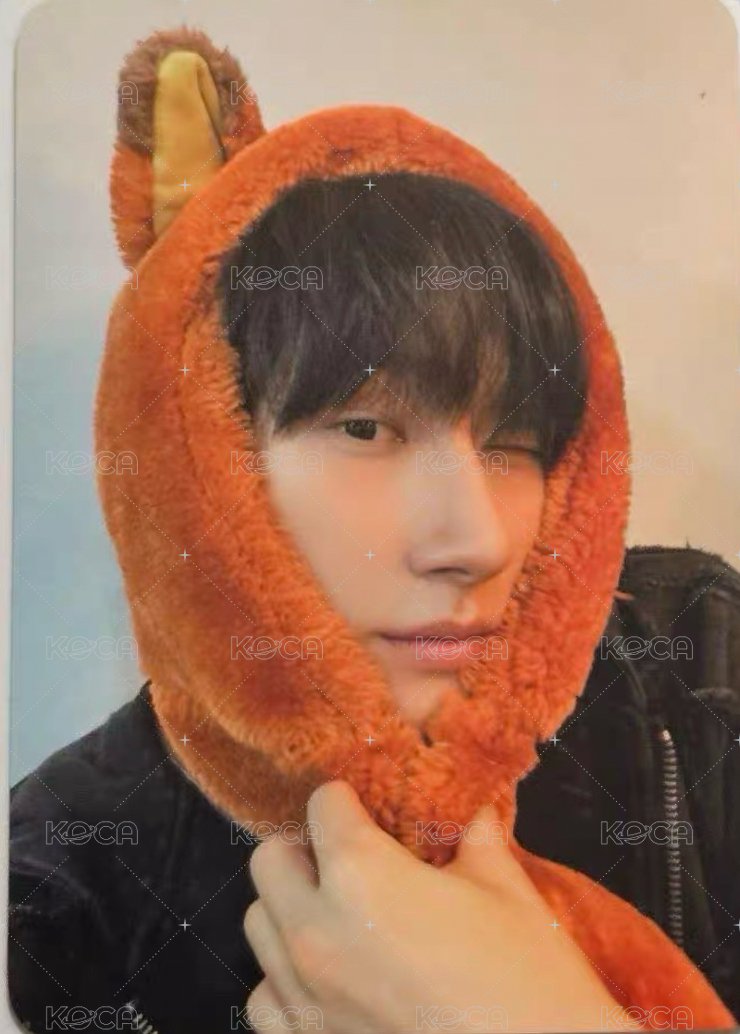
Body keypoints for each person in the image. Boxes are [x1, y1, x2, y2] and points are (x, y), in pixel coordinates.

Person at [8, 26, 739, 1034]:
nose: (476, 543)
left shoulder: (695, 666)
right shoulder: (60, 889)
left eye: (515, 443)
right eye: (365, 428)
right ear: (195, 457)